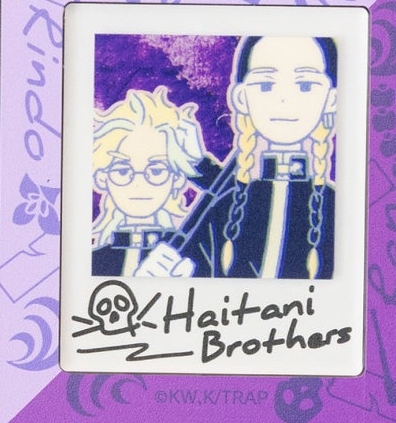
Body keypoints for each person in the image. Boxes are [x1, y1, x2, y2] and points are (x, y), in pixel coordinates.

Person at [143, 35, 338, 281]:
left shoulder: (337, 209)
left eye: (306, 86)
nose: (284, 99)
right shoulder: (227, 207)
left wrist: (201, 168)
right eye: (265, 86)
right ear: (241, 98)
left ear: (331, 99)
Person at [90, 87, 208, 277]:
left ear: (177, 178)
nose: (139, 184)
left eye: (156, 171)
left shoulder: (193, 258)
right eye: (122, 171)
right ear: (102, 178)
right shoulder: (92, 262)